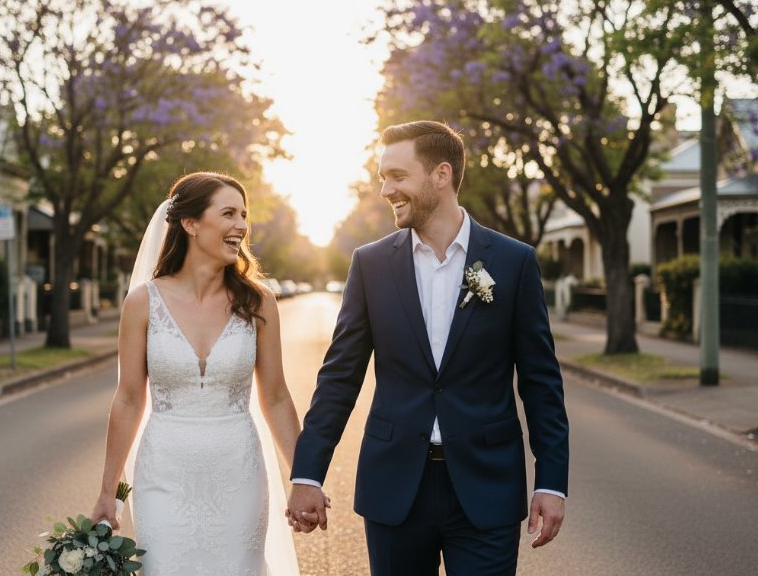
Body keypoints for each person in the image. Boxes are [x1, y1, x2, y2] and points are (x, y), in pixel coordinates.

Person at [286, 121, 569, 576]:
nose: (385, 190)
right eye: (382, 177)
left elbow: (541, 383)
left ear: (441, 174)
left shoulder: (514, 262)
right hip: (394, 487)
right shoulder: (371, 264)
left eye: (397, 176)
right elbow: (340, 378)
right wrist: (306, 475)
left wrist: (552, 482)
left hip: (487, 487)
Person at [91, 172, 313, 575]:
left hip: (238, 477)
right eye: (228, 213)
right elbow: (128, 398)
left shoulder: (258, 301)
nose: (241, 226)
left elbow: (276, 397)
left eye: (244, 215)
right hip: (163, 476)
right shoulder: (143, 303)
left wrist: (305, 478)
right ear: (191, 224)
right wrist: (109, 493)